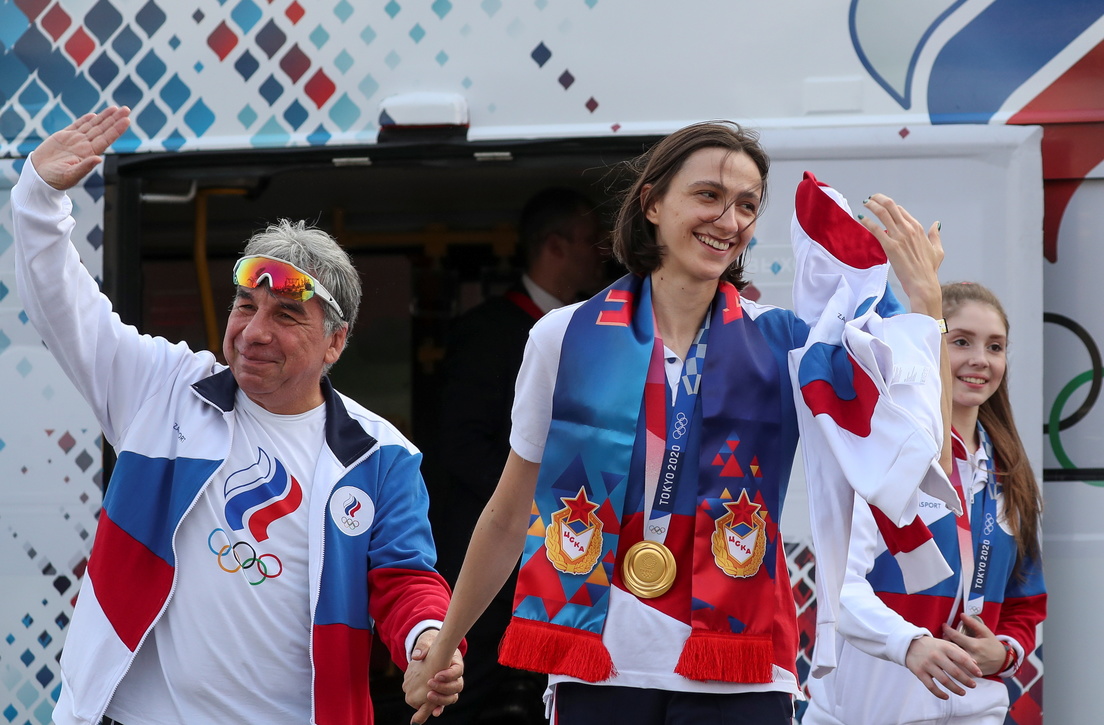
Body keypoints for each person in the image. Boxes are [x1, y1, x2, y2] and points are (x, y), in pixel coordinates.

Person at [408, 120, 952, 724]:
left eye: (746, 205)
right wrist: (447, 643)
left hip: (742, 670)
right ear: (652, 203)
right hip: (601, 664)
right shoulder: (562, 338)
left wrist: (926, 307)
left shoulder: (787, 345)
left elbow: (917, 452)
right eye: (708, 195)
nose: (728, 219)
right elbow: (509, 515)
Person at [11, 106, 463, 725]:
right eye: (246, 305)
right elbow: (64, 308)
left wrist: (428, 639)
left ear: (335, 342)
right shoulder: (165, 389)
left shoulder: (380, 456)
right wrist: (38, 197)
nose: (253, 332)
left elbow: (404, 578)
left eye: (286, 315)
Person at [803, 282, 1046, 725]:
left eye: (995, 346)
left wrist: (1004, 653)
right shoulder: (886, 456)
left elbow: (1025, 601)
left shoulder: (1009, 472)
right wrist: (907, 643)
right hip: (870, 714)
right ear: (927, 347)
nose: (980, 359)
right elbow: (841, 588)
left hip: (978, 710)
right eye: (961, 342)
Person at [432, 187, 604, 724]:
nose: (602, 251)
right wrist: (536, 503)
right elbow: (459, 443)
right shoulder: (487, 332)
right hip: (494, 555)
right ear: (554, 246)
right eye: (590, 240)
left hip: (568, 552)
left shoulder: (600, 334)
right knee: (473, 694)